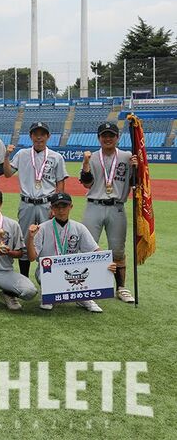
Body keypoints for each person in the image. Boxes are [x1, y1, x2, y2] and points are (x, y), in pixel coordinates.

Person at [26, 192, 118, 313]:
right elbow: (32, 258)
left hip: (72, 270)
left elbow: (95, 250)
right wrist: (30, 237)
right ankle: (49, 295)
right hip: (48, 271)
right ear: (51, 208)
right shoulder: (42, 228)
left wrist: (107, 263)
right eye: (57, 207)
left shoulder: (79, 227)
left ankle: (83, 297)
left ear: (71, 207)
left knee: (87, 269)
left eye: (64, 206)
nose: (61, 210)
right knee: (48, 277)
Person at [79, 121, 138, 304]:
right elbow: (87, 183)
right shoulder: (92, 157)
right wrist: (86, 163)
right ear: (99, 138)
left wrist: (136, 166)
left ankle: (121, 288)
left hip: (117, 207)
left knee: (117, 248)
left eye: (111, 135)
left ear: (117, 137)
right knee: (87, 246)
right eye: (104, 136)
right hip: (94, 205)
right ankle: (87, 285)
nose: (107, 139)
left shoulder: (127, 156)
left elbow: (136, 182)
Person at [3, 121, 68, 278]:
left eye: (42, 134)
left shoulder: (56, 157)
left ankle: (49, 278)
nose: (39, 137)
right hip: (27, 203)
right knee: (25, 241)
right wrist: (6, 157)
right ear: (30, 136)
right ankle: (24, 279)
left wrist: (56, 206)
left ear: (48, 136)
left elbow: (60, 182)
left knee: (49, 240)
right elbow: (8, 173)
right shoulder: (22, 154)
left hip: (47, 204)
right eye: (36, 134)